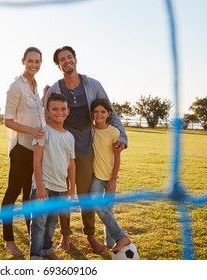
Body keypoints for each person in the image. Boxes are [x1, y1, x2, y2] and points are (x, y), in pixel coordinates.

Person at [43, 46, 128, 254]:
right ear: (58, 65)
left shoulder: (93, 85)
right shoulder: (55, 87)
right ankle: (65, 236)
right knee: (62, 195)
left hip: (85, 151)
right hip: (60, 151)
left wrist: (123, 137)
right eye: (62, 59)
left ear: (75, 59)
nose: (67, 61)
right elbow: (44, 116)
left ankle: (90, 236)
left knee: (86, 196)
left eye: (69, 57)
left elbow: (111, 113)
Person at [2, 47, 46, 257]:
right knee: (12, 192)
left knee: (29, 195)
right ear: (23, 61)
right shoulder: (15, 86)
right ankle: (9, 240)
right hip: (20, 148)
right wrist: (30, 131)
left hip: (35, 150)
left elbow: (36, 114)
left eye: (37, 62)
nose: (34, 65)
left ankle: (31, 234)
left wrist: (44, 97)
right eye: (30, 61)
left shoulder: (35, 86)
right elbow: (7, 121)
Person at [30, 93, 75, 260]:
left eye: (63, 109)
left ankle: (47, 250)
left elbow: (71, 163)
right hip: (44, 186)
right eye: (55, 109)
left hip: (60, 187)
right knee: (39, 222)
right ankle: (35, 255)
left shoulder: (69, 137)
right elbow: (36, 160)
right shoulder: (43, 132)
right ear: (47, 111)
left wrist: (72, 187)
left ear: (68, 111)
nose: (59, 112)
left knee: (51, 222)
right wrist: (40, 186)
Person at [90, 98, 131, 253]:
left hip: (110, 177)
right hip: (96, 177)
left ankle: (110, 242)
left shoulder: (114, 132)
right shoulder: (90, 130)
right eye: (95, 111)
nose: (99, 115)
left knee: (109, 208)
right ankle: (121, 237)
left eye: (102, 112)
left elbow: (117, 157)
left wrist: (113, 179)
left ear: (108, 114)